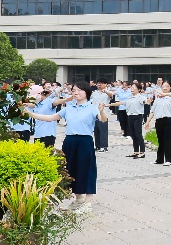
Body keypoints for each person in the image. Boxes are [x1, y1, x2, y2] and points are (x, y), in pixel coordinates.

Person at [26, 85, 109, 213]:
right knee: (71, 170)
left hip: (84, 141)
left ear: (86, 93)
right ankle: (78, 199)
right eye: (73, 90)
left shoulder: (92, 108)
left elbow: (103, 120)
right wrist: (31, 114)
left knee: (86, 170)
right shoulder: (68, 108)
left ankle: (88, 203)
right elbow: (50, 118)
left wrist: (102, 111)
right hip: (69, 141)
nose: (75, 93)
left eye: (79, 90)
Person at [144, 82, 171, 167]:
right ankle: (159, 159)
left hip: (168, 120)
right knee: (160, 140)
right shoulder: (157, 99)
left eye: (167, 86)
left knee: (167, 140)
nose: (165, 88)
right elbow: (152, 111)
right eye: (163, 86)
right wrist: (147, 122)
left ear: (170, 88)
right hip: (159, 121)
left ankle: (170, 160)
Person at [90, 83, 111, 152]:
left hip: (103, 114)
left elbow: (111, 95)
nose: (99, 85)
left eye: (101, 83)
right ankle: (98, 146)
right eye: (98, 83)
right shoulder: (94, 93)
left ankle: (104, 146)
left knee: (103, 131)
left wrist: (105, 91)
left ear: (105, 84)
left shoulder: (108, 92)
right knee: (96, 131)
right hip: (95, 114)